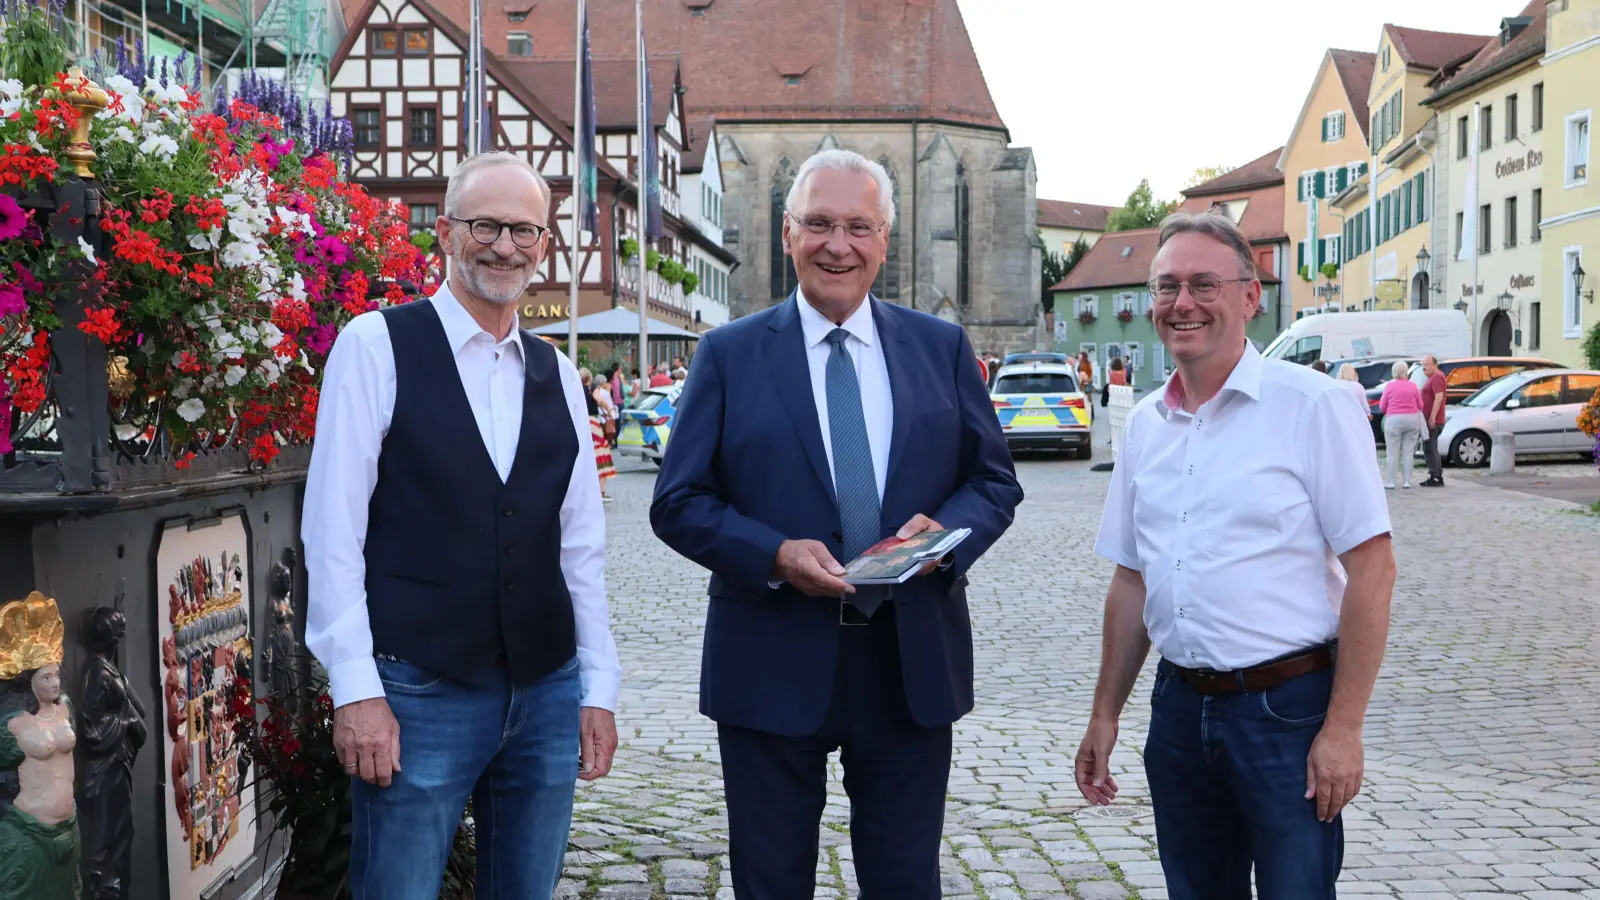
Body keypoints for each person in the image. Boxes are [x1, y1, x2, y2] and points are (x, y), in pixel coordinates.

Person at [650, 149, 1023, 900]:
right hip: (771, 655)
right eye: (819, 223)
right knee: (770, 879)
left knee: (904, 881)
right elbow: (678, 500)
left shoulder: (940, 347)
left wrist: (940, 541)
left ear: (885, 238)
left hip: (910, 658)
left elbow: (992, 482)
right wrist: (775, 553)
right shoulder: (728, 354)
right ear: (788, 233)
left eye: (858, 226)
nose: (837, 245)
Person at [302, 151, 621, 899]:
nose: (505, 246)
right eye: (485, 226)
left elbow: (579, 547)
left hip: (545, 691)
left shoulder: (559, 374)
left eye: (524, 231)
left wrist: (596, 685)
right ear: (444, 232)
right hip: (419, 689)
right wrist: (355, 689)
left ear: (545, 246)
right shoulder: (376, 346)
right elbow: (332, 532)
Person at [1076, 211, 1395, 899]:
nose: (1181, 303)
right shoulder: (1144, 429)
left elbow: (1374, 566)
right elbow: (1132, 578)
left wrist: (1344, 728)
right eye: (1166, 287)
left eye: (1202, 284)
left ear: (1250, 297)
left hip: (1287, 712)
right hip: (1178, 711)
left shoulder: (1312, 406)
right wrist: (1106, 712)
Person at [0, 593, 81, 900]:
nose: (54, 683)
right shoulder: (13, 725)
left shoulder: (65, 708)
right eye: (46, 677)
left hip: (69, 825)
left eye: (57, 675)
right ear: (28, 682)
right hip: (27, 831)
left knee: (71, 892)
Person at [1379, 359, 1425, 490]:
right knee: (1408, 452)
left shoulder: (1389, 386)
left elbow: (1382, 407)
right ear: (1406, 371)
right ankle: (1406, 482)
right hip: (1412, 420)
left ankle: (1391, 482)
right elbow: (1420, 405)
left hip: (1394, 420)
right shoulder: (1413, 386)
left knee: (1392, 452)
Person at [1419, 355, 1447, 487]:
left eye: (1427, 364)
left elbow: (1439, 397)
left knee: (1430, 446)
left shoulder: (1437, 377)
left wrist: (1432, 417)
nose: (1424, 367)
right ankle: (1435, 474)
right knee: (1430, 446)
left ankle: (1435, 475)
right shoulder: (1432, 378)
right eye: (1423, 364)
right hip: (1429, 418)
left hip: (1434, 419)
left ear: (1435, 365)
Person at [590, 371, 618, 501]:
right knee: (601, 457)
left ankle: (597, 491)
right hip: (595, 426)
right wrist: (609, 411)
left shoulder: (582, 390)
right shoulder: (596, 391)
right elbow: (599, 399)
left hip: (590, 425)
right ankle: (601, 491)